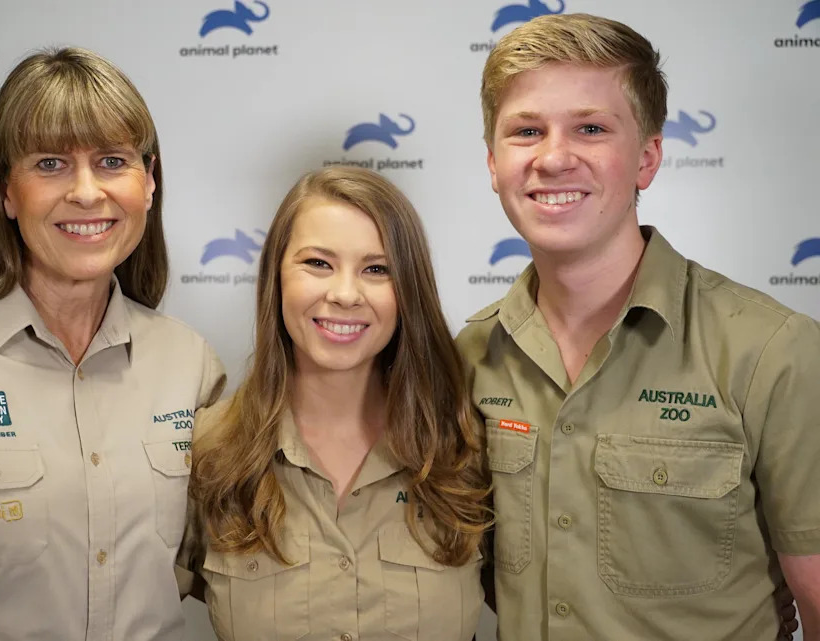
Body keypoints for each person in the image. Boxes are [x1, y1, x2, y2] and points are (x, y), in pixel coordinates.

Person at [457, 12, 820, 641]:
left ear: (647, 158)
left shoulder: (773, 351)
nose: (553, 157)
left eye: (591, 128)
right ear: (493, 163)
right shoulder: (468, 357)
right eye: (526, 131)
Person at [0, 47, 224, 640]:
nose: (86, 192)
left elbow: (240, 572)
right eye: (51, 163)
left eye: (112, 161)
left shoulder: (190, 364)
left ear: (149, 182)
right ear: (6, 191)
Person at [179, 166, 492, 640]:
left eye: (376, 269)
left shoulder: (468, 446)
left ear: (407, 289)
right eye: (318, 263)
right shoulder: (209, 449)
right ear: (276, 278)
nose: (345, 294)